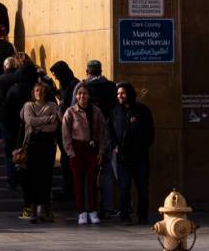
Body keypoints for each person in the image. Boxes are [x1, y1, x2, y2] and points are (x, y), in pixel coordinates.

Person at [109, 81, 155, 225]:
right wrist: (115, 146)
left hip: (140, 157)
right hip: (123, 157)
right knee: (124, 188)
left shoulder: (143, 110)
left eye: (122, 93)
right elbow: (109, 132)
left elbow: (150, 132)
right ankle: (125, 215)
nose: (119, 96)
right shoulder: (114, 112)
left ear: (129, 93)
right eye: (117, 94)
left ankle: (143, 215)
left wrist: (143, 146)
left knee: (142, 188)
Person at [62, 83, 105, 225]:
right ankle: (81, 212)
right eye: (79, 93)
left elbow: (101, 133)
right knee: (78, 182)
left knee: (92, 181)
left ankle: (92, 211)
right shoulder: (70, 112)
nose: (82, 96)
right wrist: (70, 152)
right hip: (76, 149)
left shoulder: (96, 111)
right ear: (76, 96)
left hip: (92, 148)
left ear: (89, 95)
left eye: (85, 93)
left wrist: (101, 151)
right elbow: (66, 134)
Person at [19, 82, 61, 222]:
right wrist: (47, 119)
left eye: (42, 91)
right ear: (33, 92)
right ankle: (33, 208)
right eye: (36, 90)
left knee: (46, 177)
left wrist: (39, 123)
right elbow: (30, 120)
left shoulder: (52, 106)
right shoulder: (28, 106)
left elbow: (54, 126)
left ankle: (44, 208)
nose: (39, 93)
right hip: (32, 145)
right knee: (32, 177)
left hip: (48, 146)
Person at [0, 53, 39, 190]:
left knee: (11, 152)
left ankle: (12, 180)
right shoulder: (37, 89)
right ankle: (26, 180)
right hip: (31, 128)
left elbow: (5, 111)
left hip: (12, 125)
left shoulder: (14, 89)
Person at [84, 59, 117, 216]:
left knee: (88, 172)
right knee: (107, 170)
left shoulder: (84, 87)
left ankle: (90, 207)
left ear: (87, 72)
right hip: (108, 133)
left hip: (88, 134)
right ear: (101, 71)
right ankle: (108, 206)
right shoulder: (111, 86)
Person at [50, 60, 81, 199]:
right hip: (63, 126)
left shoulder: (74, 84)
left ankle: (70, 189)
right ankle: (67, 187)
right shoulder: (65, 84)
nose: (55, 77)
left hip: (71, 128)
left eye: (56, 74)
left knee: (68, 160)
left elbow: (71, 104)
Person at [0, 56, 19, 146]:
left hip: (3, 113)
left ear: (4, 67)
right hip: (19, 113)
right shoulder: (20, 78)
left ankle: (0, 138)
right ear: (16, 66)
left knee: (7, 145)